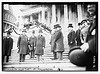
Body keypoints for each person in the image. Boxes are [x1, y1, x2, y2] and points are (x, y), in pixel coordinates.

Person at [80, 4, 98, 71]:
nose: (89, 8)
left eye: (92, 5)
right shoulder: (94, 21)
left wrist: (90, 44)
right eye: (88, 6)